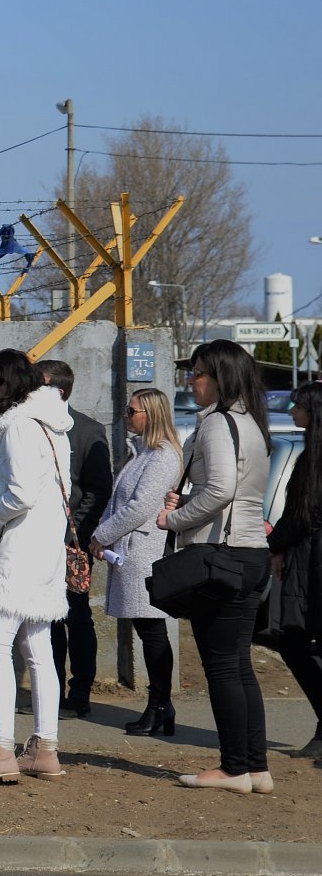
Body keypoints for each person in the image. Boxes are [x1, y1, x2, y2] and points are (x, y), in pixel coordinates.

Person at [0, 348, 72, 784]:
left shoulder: (19, 424)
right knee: (38, 650)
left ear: (5, 384)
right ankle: (45, 748)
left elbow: (20, 494)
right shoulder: (51, 421)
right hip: (46, 546)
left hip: (22, 546)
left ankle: (1, 748)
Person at [161, 339, 273, 792]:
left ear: (221, 377)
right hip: (249, 554)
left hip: (222, 556)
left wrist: (175, 516)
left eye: (198, 372)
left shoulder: (217, 424)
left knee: (223, 667)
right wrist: (190, 501)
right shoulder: (251, 423)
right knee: (239, 665)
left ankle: (233, 769)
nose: (192, 379)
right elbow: (235, 492)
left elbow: (222, 489)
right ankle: (255, 767)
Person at [88, 386, 182, 736]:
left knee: (152, 628)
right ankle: (160, 706)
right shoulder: (141, 452)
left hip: (145, 551)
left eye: (132, 411)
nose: (126, 416)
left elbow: (139, 507)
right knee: (147, 629)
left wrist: (102, 535)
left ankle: (160, 704)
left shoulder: (162, 456)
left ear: (151, 415)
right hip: (130, 549)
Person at [36, 359, 115, 719]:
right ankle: (50, 691)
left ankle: (79, 693)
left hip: (72, 543)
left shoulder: (86, 430)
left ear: (58, 390)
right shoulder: (31, 427)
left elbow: (98, 490)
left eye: (37, 385)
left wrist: (76, 534)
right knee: (47, 619)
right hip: (38, 541)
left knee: (77, 617)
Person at [267, 381, 322, 758]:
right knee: (293, 640)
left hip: (310, 559)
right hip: (305, 557)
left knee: (294, 639)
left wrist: (274, 544)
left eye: (297, 406)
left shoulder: (313, 459)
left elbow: (301, 516)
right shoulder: (308, 455)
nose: (291, 412)